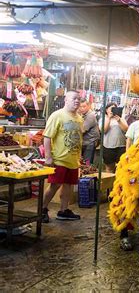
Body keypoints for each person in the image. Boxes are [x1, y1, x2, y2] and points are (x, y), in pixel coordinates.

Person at [42, 91, 83, 222]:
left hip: (73, 159)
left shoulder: (79, 118)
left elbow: (79, 139)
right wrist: (48, 157)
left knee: (69, 185)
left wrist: (79, 157)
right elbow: (47, 137)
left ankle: (63, 210)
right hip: (59, 159)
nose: (77, 101)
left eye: (79, 99)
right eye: (74, 98)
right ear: (66, 100)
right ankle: (42, 209)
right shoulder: (57, 115)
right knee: (55, 185)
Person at [100, 103, 128, 172]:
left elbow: (126, 130)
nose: (112, 110)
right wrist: (109, 118)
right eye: (111, 109)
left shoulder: (121, 119)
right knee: (109, 167)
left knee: (121, 167)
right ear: (106, 110)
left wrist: (119, 120)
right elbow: (103, 130)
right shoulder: (103, 119)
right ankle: (109, 181)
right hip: (108, 147)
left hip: (121, 147)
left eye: (114, 108)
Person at [79, 98, 100, 165]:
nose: (82, 108)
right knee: (84, 162)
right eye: (80, 106)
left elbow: (82, 130)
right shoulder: (83, 115)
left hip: (90, 142)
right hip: (85, 142)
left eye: (84, 106)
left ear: (88, 106)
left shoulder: (90, 115)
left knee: (87, 163)